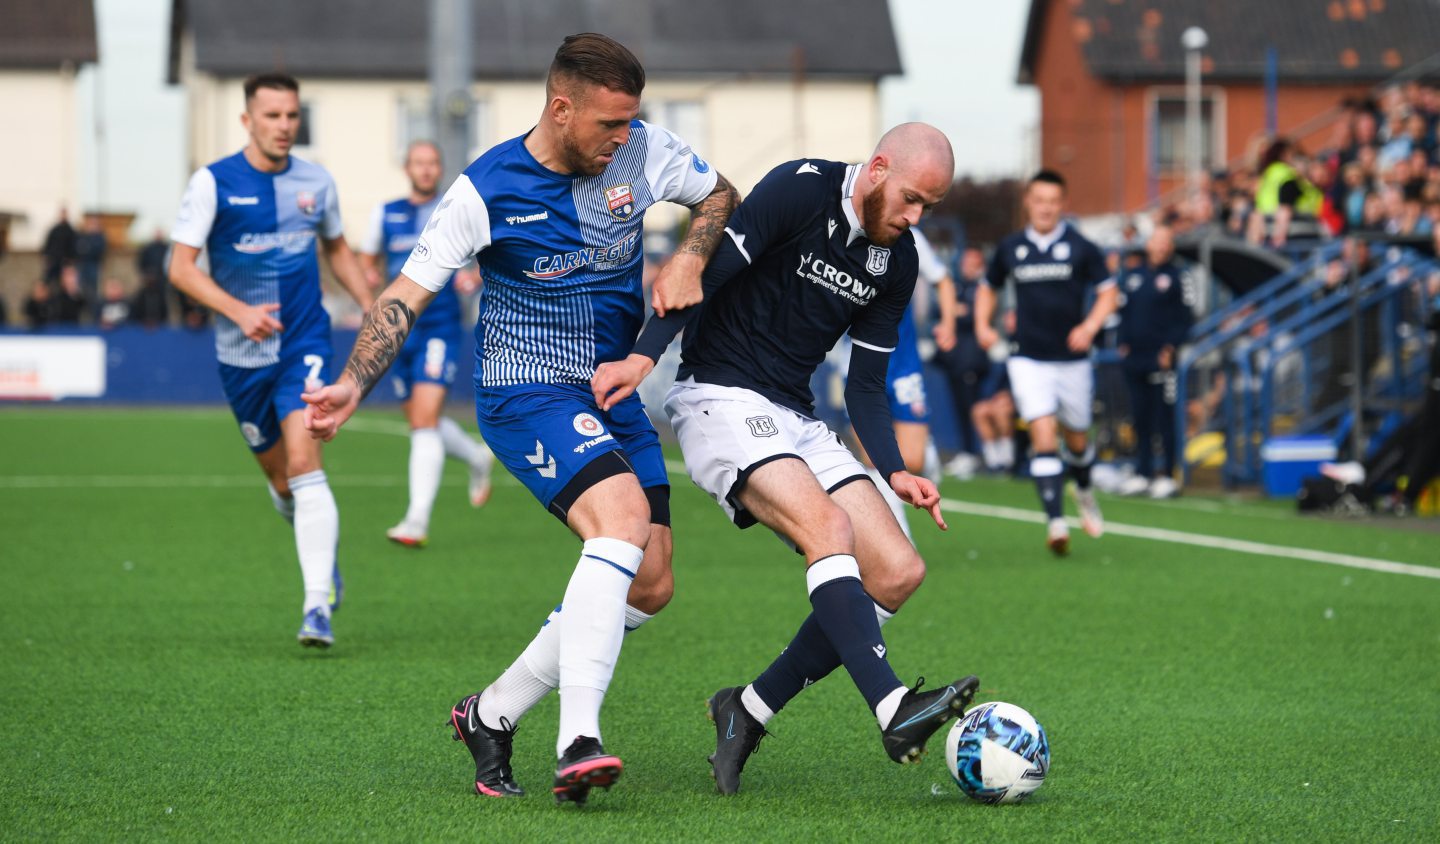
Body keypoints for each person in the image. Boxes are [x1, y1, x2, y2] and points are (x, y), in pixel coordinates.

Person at [301, 33, 737, 805]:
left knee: (653, 582)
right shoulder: (485, 189)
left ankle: (491, 713)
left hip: (607, 390)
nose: (622, 138)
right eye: (608, 124)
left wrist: (691, 255)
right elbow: (405, 296)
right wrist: (351, 383)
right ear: (561, 108)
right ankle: (579, 740)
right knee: (621, 520)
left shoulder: (643, 149)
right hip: (524, 389)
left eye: (631, 122)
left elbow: (718, 193)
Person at [591, 122, 979, 796]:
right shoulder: (801, 190)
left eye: (930, 209)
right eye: (913, 199)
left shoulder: (899, 260)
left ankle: (747, 708)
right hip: (717, 395)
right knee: (828, 531)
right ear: (880, 167)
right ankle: (893, 709)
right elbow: (703, 276)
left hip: (794, 415)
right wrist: (644, 356)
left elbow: (863, 386)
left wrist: (895, 472)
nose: (916, 218)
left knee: (896, 571)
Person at [168, 72, 373, 649]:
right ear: (247, 121)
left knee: (306, 460)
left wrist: (369, 303)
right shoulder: (213, 183)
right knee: (282, 481)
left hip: (304, 344)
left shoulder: (317, 182)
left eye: (292, 116)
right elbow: (180, 267)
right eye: (273, 116)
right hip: (241, 357)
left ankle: (317, 606)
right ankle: (317, 552)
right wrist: (237, 310)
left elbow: (335, 246)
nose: (285, 126)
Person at [974, 169, 1118, 556]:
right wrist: (983, 325)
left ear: (1062, 205)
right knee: (1042, 431)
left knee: (1077, 437)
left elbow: (1108, 292)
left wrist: (1089, 326)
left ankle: (1083, 490)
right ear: (1028, 202)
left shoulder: (1082, 247)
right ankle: (1055, 522)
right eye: (1039, 200)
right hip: (1028, 358)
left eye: (1053, 202)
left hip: (1072, 360)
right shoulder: (1011, 248)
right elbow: (988, 288)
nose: (1046, 208)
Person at [359, 140, 496, 547]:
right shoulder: (385, 214)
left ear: (439, 169)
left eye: (432, 163)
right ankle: (475, 456)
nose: (425, 169)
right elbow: (367, 258)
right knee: (422, 420)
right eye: (418, 163)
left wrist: (475, 276)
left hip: (439, 325)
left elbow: (489, 255)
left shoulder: (456, 208)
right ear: (407, 168)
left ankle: (416, 520)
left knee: (423, 421)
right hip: (400, 329)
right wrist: (368, 279)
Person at [1116, 226, 1192, 498]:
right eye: (1156, 241)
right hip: (1135, 357)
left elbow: (1186, 319)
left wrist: (1170, 347)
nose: (1160, 247)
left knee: (1165, 418)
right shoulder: (1134, 276)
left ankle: (1169, 475)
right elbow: (1123, 312)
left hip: (1162, 360)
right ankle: (1143, 472)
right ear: (1148, 244)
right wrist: (1122, 343)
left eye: (1165, 242)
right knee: (1140, 418)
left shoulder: (1179, 277)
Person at [932, 244, 992, 476]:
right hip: (954, 361)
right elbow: (939, 311)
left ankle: (978, 455)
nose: (967, 266)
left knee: (972, 408)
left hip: (972, 361)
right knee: (959, 409)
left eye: (973, 262)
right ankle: (967, 453)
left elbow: (972, 317)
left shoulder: (982, 289)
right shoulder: (957, 286)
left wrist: (957, 313)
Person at [74, 213, 107, 306]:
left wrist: (87, 249)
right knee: (80, 287)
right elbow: (78, 249)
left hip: (93, 265)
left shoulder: (100, 237)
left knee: (93, 289)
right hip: (81, 265)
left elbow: (98, 251)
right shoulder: (81, 236)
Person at [41, 208, 76, 285]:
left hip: (64, 263)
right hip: (54, 261)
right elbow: (48, 244)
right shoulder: (54, 230)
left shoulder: (71, 231)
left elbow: (73, 247)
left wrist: (70, 260)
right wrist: (46, 256)